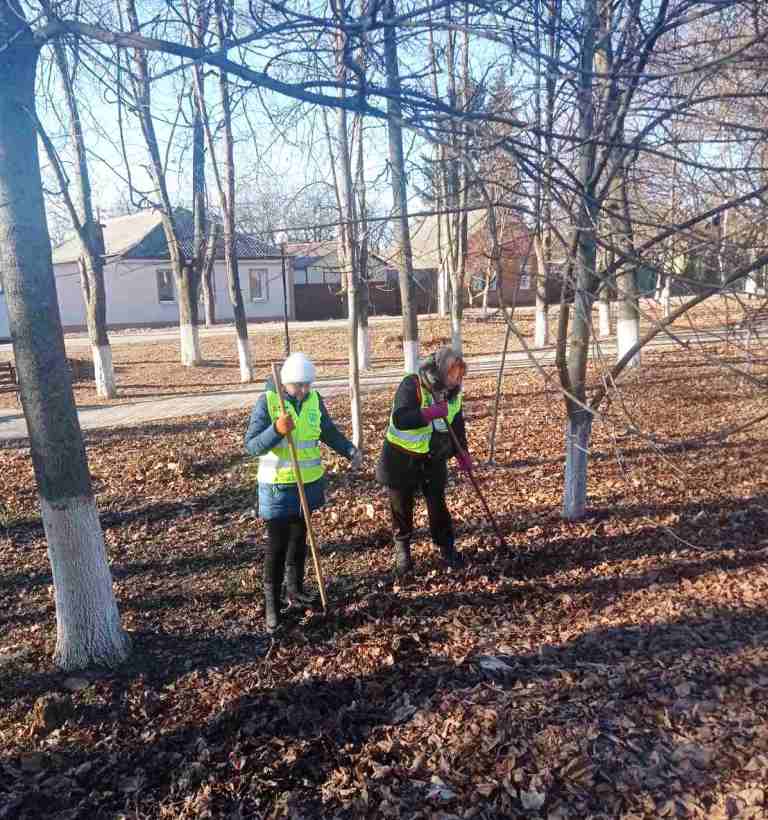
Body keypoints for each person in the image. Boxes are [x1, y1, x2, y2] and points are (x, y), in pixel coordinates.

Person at [245, 352, 362, 632]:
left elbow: (327, 431)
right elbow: (252, 446)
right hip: (277, 487)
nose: (304, 390)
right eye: (299, 385)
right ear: (285, 383)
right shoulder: (269, 401)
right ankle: (272, 606)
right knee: (277, 545)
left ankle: (295, 591)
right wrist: (276, 429)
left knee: (300, 538)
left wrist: (348, 450)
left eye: (308, 384)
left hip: (308, 485)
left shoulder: (313, 400)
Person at [376, 346, 472, 574]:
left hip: (433, 457)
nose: (456, 380)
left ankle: (447, 548)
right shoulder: (413, 384)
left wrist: (463, 454)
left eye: (459, 375)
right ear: (440, 371)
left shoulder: (453, 395)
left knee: (438, 506)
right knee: (401, 508)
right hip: (401, 458)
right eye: (452, 374)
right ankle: (403, 554)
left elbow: (457, 426)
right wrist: (429, 413)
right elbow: (401, 419)